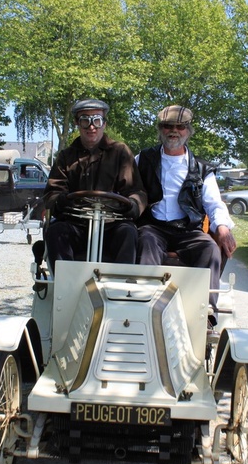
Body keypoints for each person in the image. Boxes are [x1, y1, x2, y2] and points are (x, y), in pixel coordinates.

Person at [135, 105, 237, 320]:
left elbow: (213, 203)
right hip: (152, 227)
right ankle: (143, 308)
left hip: (188, 229)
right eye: (168, 126)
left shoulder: (202, 168)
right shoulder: (142, 159)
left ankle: (205, 313)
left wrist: (223, 228)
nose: (174, 131)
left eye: (180, 127)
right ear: (160, 129)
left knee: (209, 248)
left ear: (188, 131)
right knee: (145, 241)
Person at [43, 99, 147, 272]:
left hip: (112, 224)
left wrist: (134, 205)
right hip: (75, 224)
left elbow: (136, 191)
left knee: (128, 233)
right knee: (56, 231)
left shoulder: (120, 152)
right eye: (85, 120)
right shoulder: (66, 156)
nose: (91, 127)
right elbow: (52, 192)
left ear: (104, 123)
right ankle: (65, 290)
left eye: (96, 120)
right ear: (77, 123)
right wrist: (61, 201)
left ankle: (118, 292)